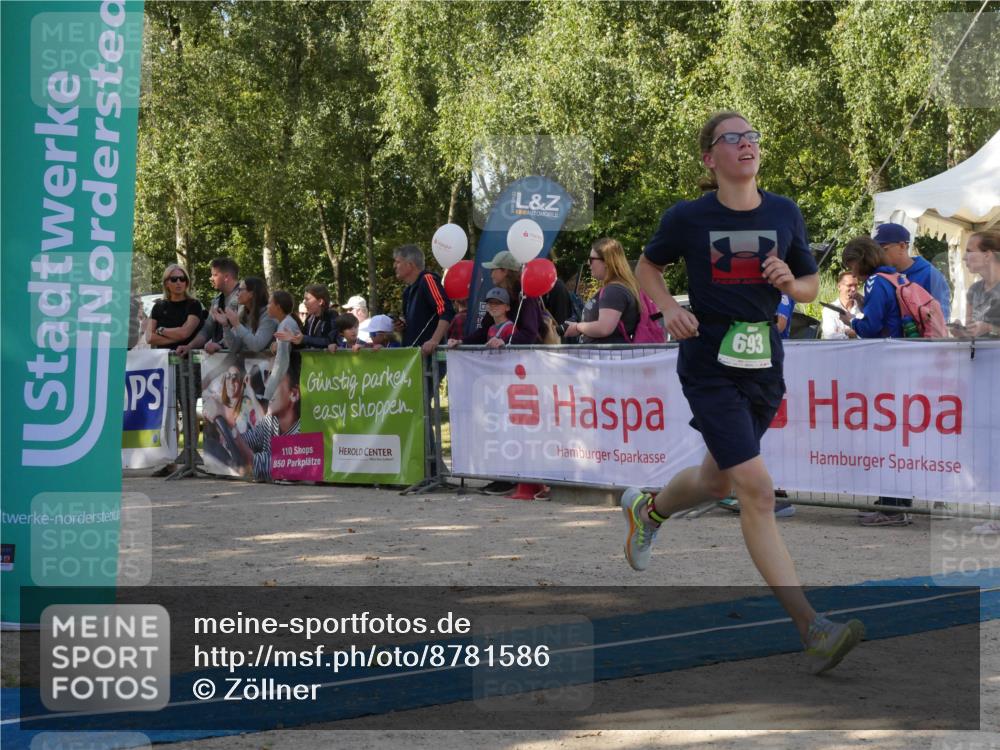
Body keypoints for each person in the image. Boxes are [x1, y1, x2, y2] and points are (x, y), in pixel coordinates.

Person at [622, 110, 863, 675]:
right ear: (711, 157)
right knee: (755, 488)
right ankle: (813, 628)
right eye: (733, 138)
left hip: (763, 365)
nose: (747, 144)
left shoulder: (784, 211)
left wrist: (790, 282)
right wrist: (670, 308)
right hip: (707, 363)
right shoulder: (687, 216)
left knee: (715, 479)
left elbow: (811, 285)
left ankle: (648, 510)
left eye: (752, 136)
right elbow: (647, 266)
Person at [237, 350, 302, 482]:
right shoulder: (270, 421)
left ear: (294, 394)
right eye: (268, 375)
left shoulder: (303, 429)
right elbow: (248, 440)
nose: (267, 384)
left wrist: (231, 434)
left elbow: (275, 464)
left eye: (276, 377)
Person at [563, 238, 640, 344]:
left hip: (607, 358)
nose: (588, 263)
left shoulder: (614, 290)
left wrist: (578, 327)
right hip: (605, 357)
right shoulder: (616, 288)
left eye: (591, 259)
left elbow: (604, 328)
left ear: (606, 262)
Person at [873, 222, 951, 321]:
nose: (878, 256)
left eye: (883, 250)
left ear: (902, 246)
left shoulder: (930, 274)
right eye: (875, 252)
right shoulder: (882, 275)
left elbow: (942, 318)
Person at [393, 244, 455, 355]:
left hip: (430, 361)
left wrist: (434, 340)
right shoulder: (407, 291)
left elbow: (447, 311)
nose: (394, 266)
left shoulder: (427, 279)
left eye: (398, 262)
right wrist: (402, 327)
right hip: (414, 358)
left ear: (410, 264)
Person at [841, 237, 904, 339]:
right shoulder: (895, 277)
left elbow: (870, 328)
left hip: (887, 348)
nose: (853, 274)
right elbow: (889, 313)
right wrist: (866, 304)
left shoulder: (875, 281)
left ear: (860, 261)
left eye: (851, 267)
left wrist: (851, 321)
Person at [176, 257, 240, 356]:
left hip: (242, 360)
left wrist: (220, 345)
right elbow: (207, 330)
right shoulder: (216, 301)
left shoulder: (244, 298)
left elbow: (242, 329)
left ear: (226, 277)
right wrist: (190, 346)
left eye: (214, 275)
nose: (211, 278)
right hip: (220, 360)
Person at [479, 250, 543, 344]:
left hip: (527, 357)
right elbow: (485, 330)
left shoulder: (525, 295)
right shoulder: (499, 293)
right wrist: (461, 341)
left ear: (505, 271)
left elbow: (530, 334)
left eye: (493, 270)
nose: (490, 274)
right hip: (506, 356)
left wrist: (503, 341)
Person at [954, 230, 1000, 339]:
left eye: (969, 251)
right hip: (979, 355)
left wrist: (989, 328)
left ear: (987, 256)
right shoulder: (974, 290)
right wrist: (962, 332)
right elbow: (971, 335)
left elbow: (987, 330)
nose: (964, 257)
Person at [145, 264, 204, 349]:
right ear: (166, 283)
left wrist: (161, 330)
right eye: (174, 279)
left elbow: (184, 333)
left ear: (186, 282)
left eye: (182, 279)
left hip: (188, 358)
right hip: (163, 359)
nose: (178, 282)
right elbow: (149, 337)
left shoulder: (194, 304)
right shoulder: (158, 306)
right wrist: (177, 337)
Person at [266, 290, 304, 400]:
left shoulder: (286, 325)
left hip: (291, 382)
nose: (267, 306)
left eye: (269, 303)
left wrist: (268, 393)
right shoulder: (285, 323)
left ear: (278, 306)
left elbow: (281, 361)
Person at [223, 277, 278, 353]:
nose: (237, 293)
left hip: (269, 363)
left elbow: (256, 346)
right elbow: (234, 347)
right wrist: (225, 325)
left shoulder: (269, 316)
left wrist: (237, 324)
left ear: (251, 294)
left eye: (240, 290)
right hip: (249, 363)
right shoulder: (244, 314)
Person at [448, 287, 514, 348]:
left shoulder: (510, 327)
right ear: (486, 307)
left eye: (498, 303)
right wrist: (459, 341)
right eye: (490, 303)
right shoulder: (491, 328)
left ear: (507, 307)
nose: (493, 306)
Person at [284, 284, 336, 349]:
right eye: (304, 300)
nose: (304, 303)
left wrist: (304, 339)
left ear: (320, 301)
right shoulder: (309, 319)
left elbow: (329, 341)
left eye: (307, 299)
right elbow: (303, 341)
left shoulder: (331, 316)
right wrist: (292, 340)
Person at [820, 271, 860, 339]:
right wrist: (855, 334)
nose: (853, 289)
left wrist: (845, 333)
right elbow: (830, 337)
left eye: (856, 285)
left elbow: (870, 333)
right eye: (849, 285)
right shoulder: (829, 310)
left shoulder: (863, 308)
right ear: (839, 286)